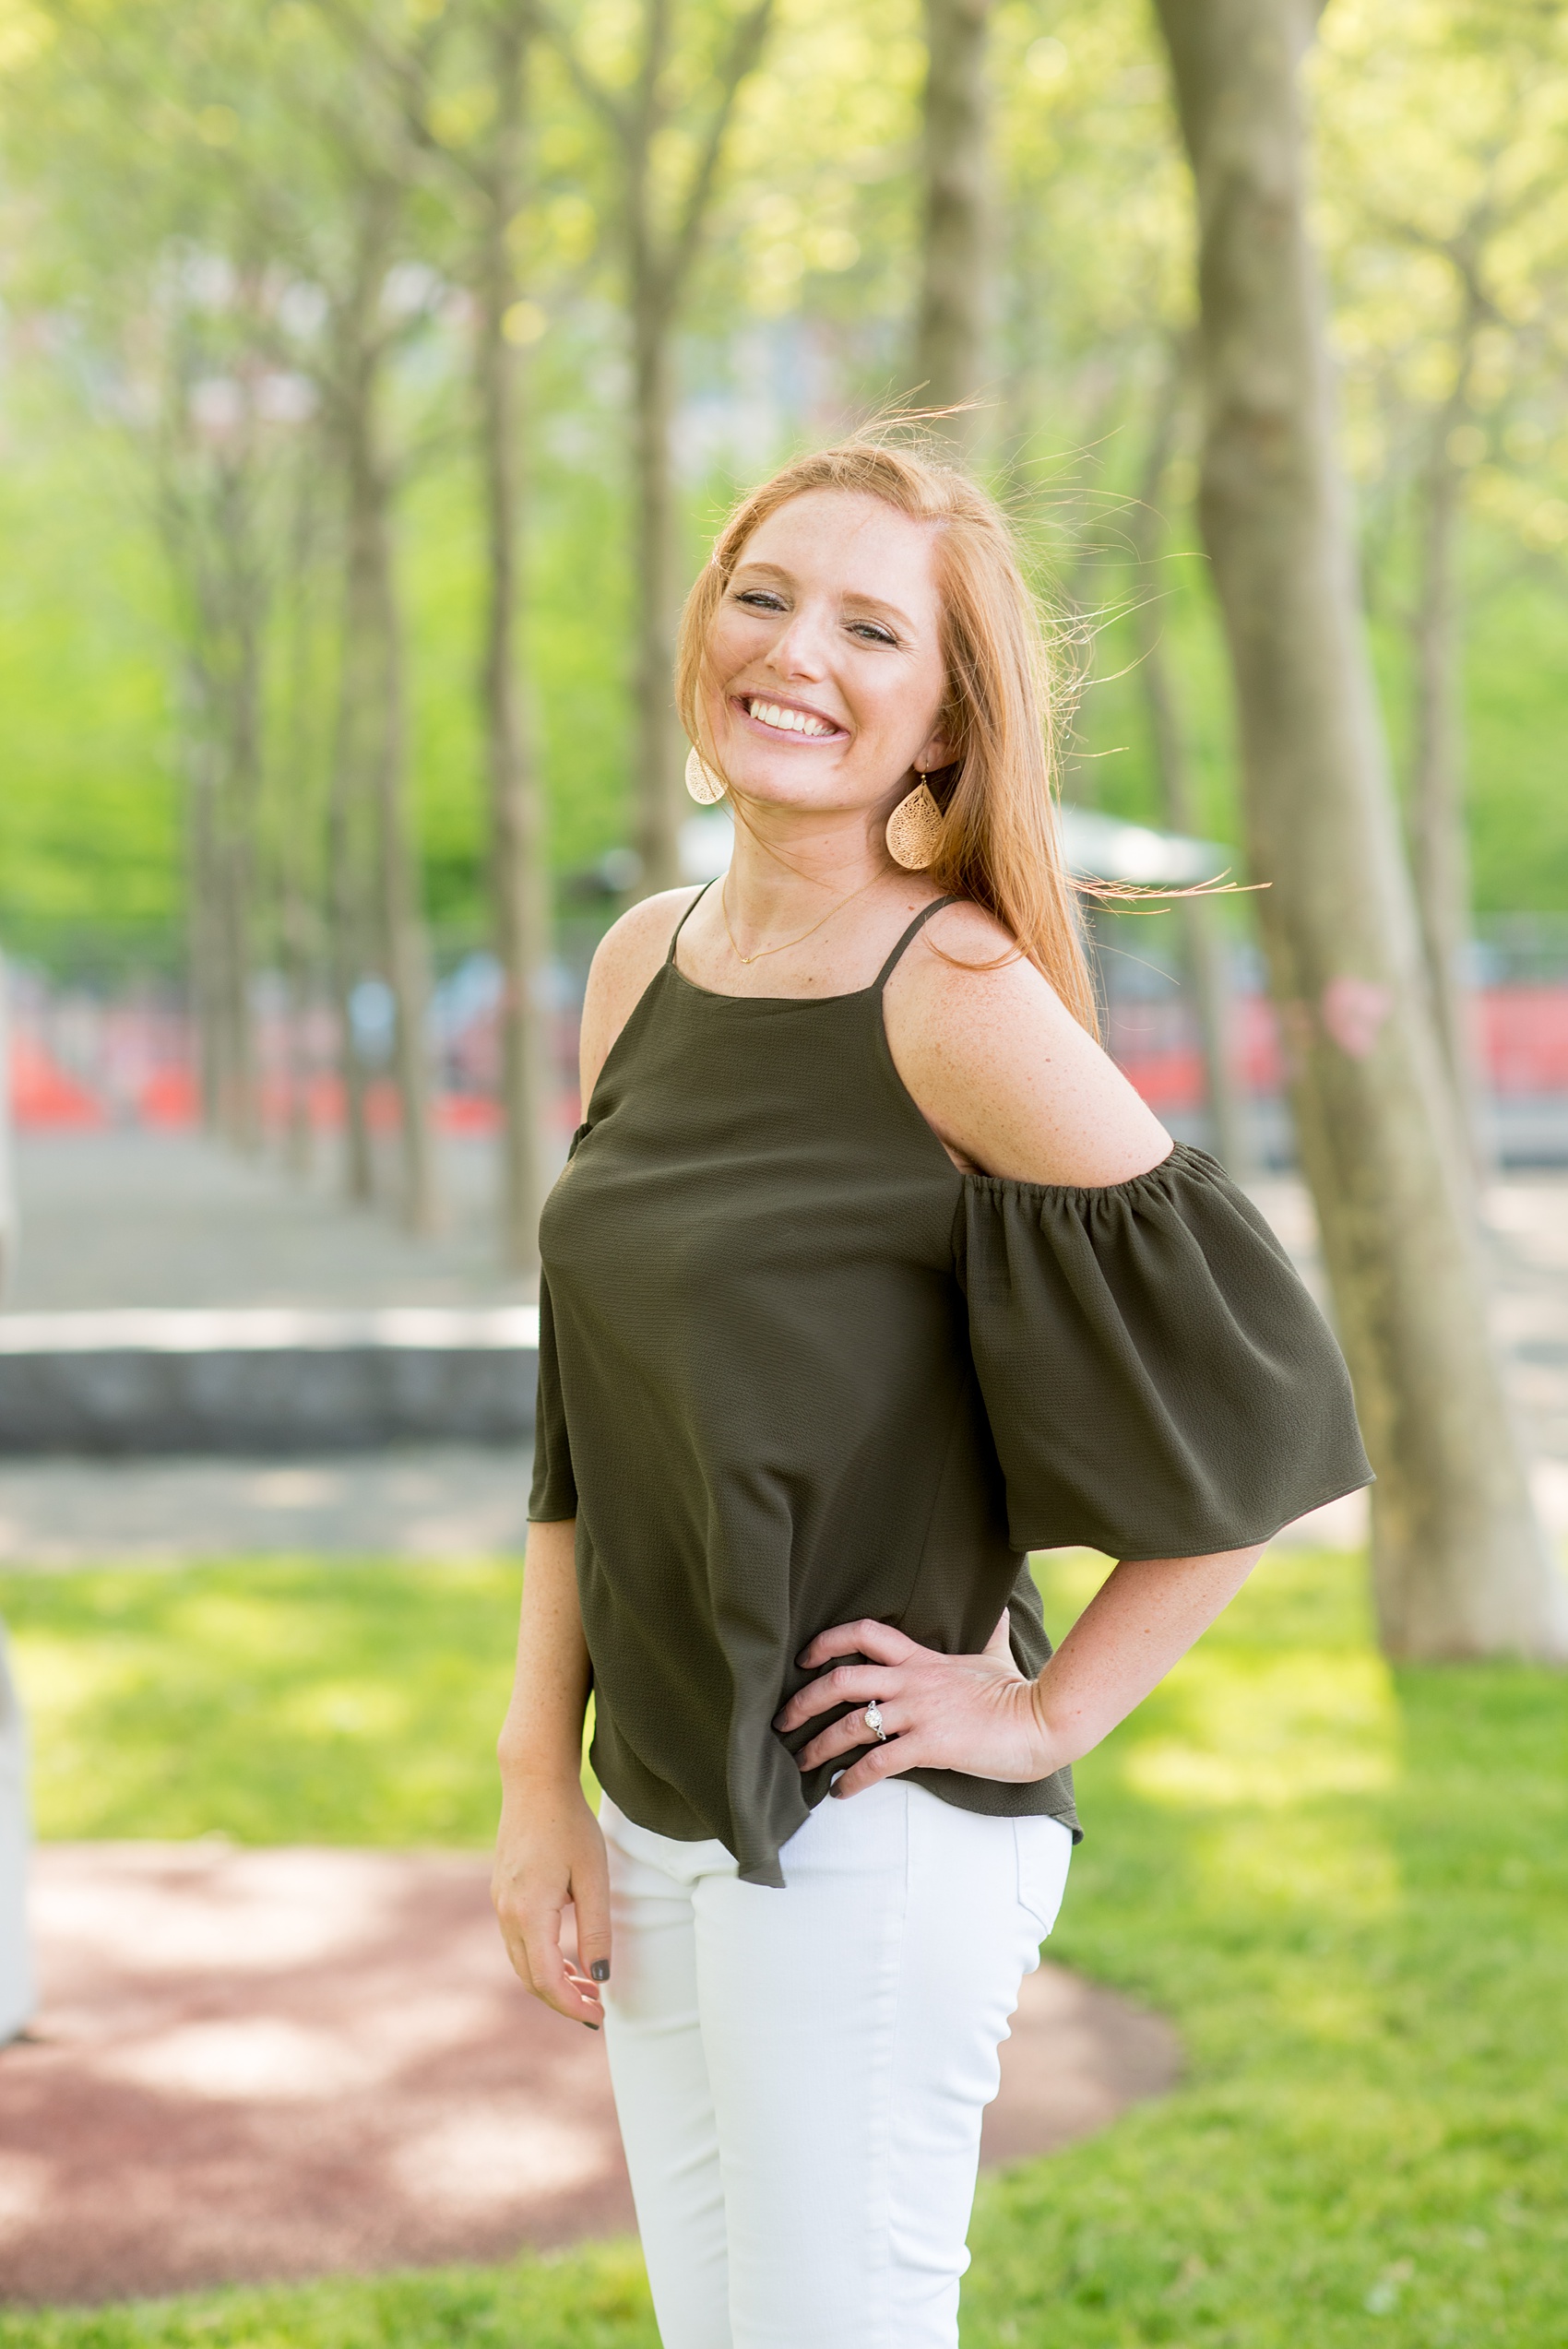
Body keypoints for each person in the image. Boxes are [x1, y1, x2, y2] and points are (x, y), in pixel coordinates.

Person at [492, 437, 1370, 2349]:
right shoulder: (642, 962)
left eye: (871, 627)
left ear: (942, 726)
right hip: (650, 1790)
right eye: (764, 592)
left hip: (866, 1817)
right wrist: (530, 1774)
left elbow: (1269, 1404)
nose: (796, 651)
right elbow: (586, 1405)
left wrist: (1052, 1699)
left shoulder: (956, 992)